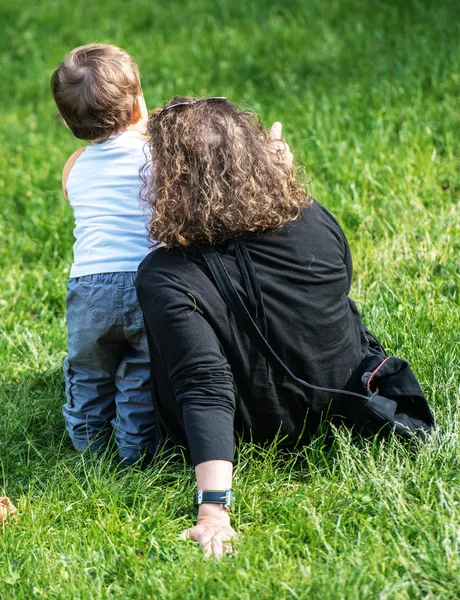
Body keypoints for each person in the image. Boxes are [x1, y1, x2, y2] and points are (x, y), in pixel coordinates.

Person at [136, 96, 434, 556]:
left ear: (172, 184)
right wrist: (280, 182)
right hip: (343, 402)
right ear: (254, 160)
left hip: (249, 428)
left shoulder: (165, 275)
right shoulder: (312, 221)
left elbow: (204, 383)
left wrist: (213, 510)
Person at [51, 44, 159, 465]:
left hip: (89, 287)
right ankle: (136, 449)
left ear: (66, 122)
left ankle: (88, 446)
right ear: (137, 109)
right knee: (140, 371)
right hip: (146, 280)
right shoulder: (156, 157)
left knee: (88, 370)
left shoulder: (74, 165)